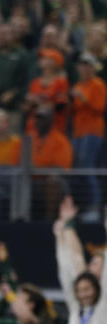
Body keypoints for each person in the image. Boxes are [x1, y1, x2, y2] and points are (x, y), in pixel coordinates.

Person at [70, 54, 106, 217]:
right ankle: (83, 206)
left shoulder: (98, 85)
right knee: (79, 171)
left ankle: (95, 206)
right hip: (78, 132)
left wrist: (82, 98)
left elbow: (99, 108)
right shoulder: (78, 85)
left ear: (93, 68)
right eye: (82, 65)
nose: (84, 68)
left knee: (87, 169)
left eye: (88, 65)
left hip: (92, 132)